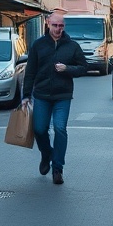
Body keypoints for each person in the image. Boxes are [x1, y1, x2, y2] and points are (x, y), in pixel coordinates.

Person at [21, 12, 87, 185]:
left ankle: (58, 169)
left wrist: (67, 68)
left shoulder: (72, 46)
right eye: (55, 25)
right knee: (40, 130)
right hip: (41, 94)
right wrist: (26, 95)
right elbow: (30, 72)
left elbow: (83, 68)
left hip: (62, 95)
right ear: (48, 24)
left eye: (61, 26)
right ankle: (46, 154)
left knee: (60, 129)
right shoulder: (38, 45)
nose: (58, 29)